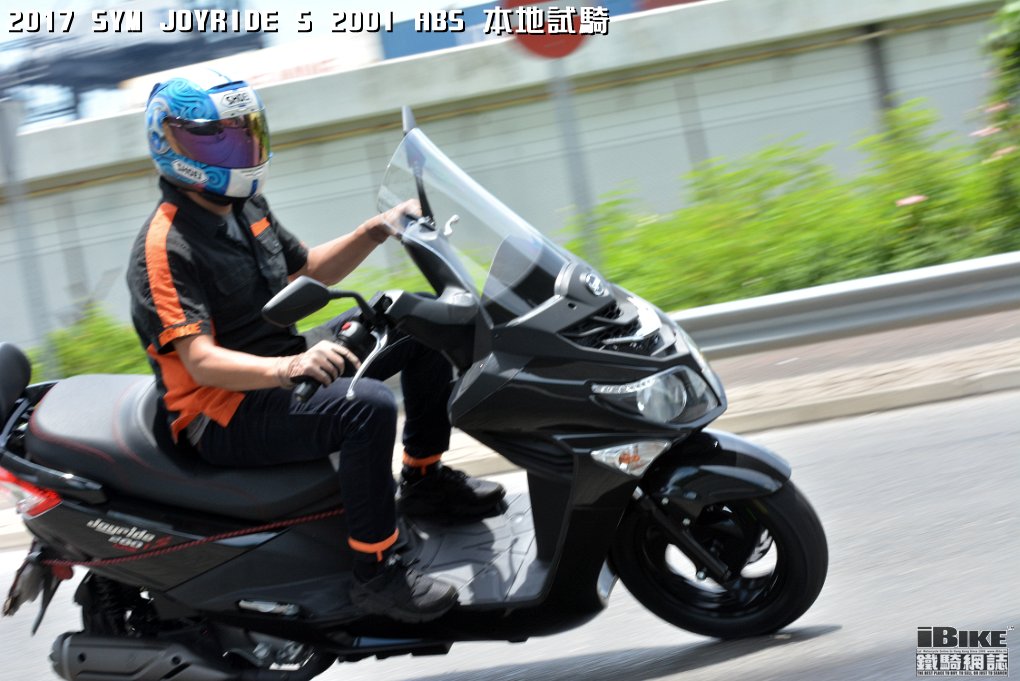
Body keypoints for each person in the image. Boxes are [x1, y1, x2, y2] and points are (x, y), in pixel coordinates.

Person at [126, 69, 505, 623]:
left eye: (245, 134)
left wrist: (377, 228)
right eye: (222, 140)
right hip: (224, 410)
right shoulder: (165, 245)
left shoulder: (244, 207)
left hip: (280, 363)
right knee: (366, 409)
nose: (241, 150)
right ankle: (377, 573)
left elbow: (306, 269)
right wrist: (291, 367)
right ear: (175, 146)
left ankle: (424, 480)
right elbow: (200, 361)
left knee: (419, 321)